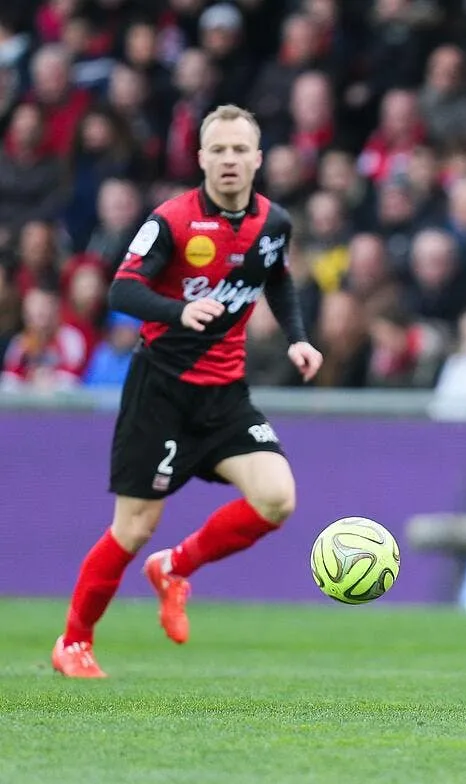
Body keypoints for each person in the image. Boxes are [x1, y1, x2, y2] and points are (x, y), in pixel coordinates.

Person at [52, 105, 324, 678]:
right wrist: (179, 310)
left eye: (238, 150)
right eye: (217, 150)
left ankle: (175, 566)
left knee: (278, 498)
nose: (228, 160)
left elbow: (275, 276)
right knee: (133, 526)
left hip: (224, 394)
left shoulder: (274, 223)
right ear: (201, 158)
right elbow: (122, 291)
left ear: (257, 159)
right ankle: (73, 642)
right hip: (162, 392)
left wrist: (298, 338)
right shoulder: (172, 221)